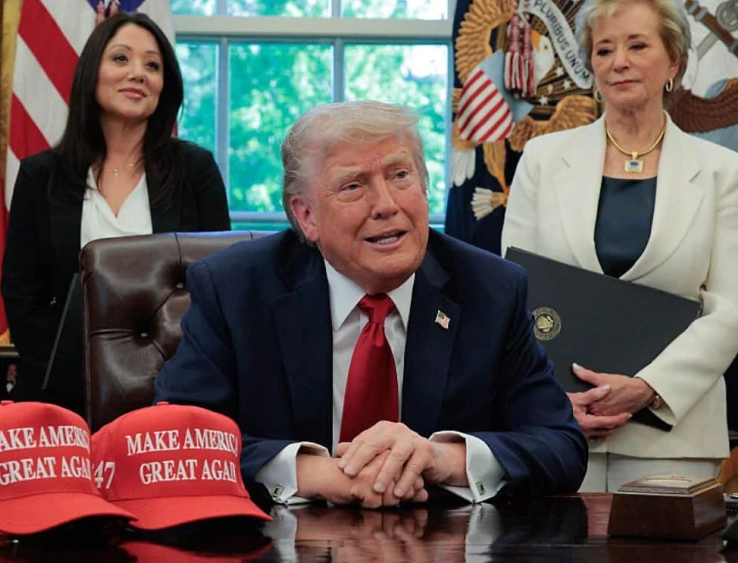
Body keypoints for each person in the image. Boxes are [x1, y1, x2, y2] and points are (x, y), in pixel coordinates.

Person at [154, 101, 587, 509]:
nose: (387, 205)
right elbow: (174, 442)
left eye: (400, 175)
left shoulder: (490, 289)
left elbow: (560, 444)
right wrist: (318, 474)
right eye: (354, 185)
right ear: (306, 216)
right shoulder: (235, 290)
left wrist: (438, 458)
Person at [501, 0, 738, 491]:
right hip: (558, 429)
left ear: (673, 61)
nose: (619, 61)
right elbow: (515, 293)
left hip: (676, 435)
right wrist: (554, 398)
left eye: (637, 45)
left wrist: (648, 389)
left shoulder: (723, 172)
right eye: (604, 49)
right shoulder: (543, 160)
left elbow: (732, 308)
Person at [1, 11, 230, 415]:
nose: (138, 73)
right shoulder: (42, 175)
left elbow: (218, 288)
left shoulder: (195, 171)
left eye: (152, 65)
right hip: (64, 392)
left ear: (165, 86)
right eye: (121, 59)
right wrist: (64, 379)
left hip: (176, 392)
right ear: (93, 73)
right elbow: (23, 293)